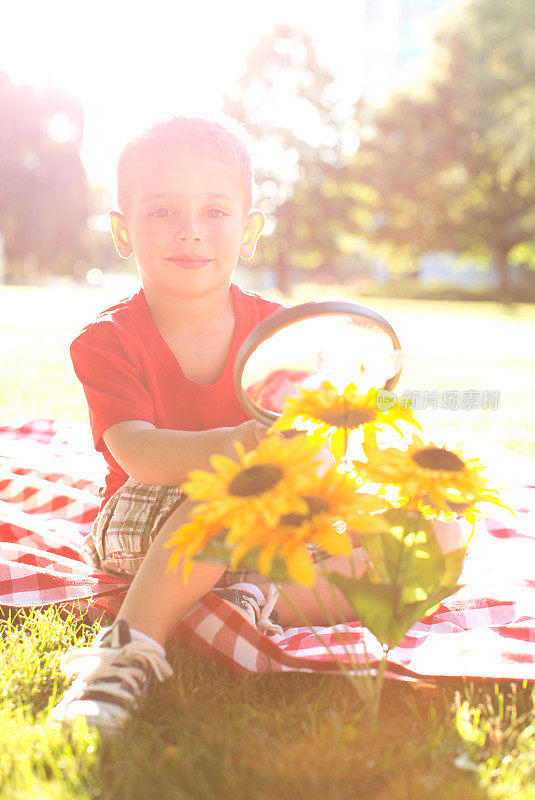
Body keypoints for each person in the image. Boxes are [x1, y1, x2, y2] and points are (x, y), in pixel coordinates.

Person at [51, 116, 374, 734]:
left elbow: (310, 445)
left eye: (216, 213)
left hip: (261, 525)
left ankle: (240, 602)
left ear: (249, 231)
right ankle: (126, 651)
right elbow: (137, 452)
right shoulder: (108, 338)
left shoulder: (284, 335)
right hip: (148, 514)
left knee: (434, 539)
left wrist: (323, 460)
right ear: (124, 231)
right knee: (230, 491)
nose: (191, 232)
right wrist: (239, 446)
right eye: (162, 211)